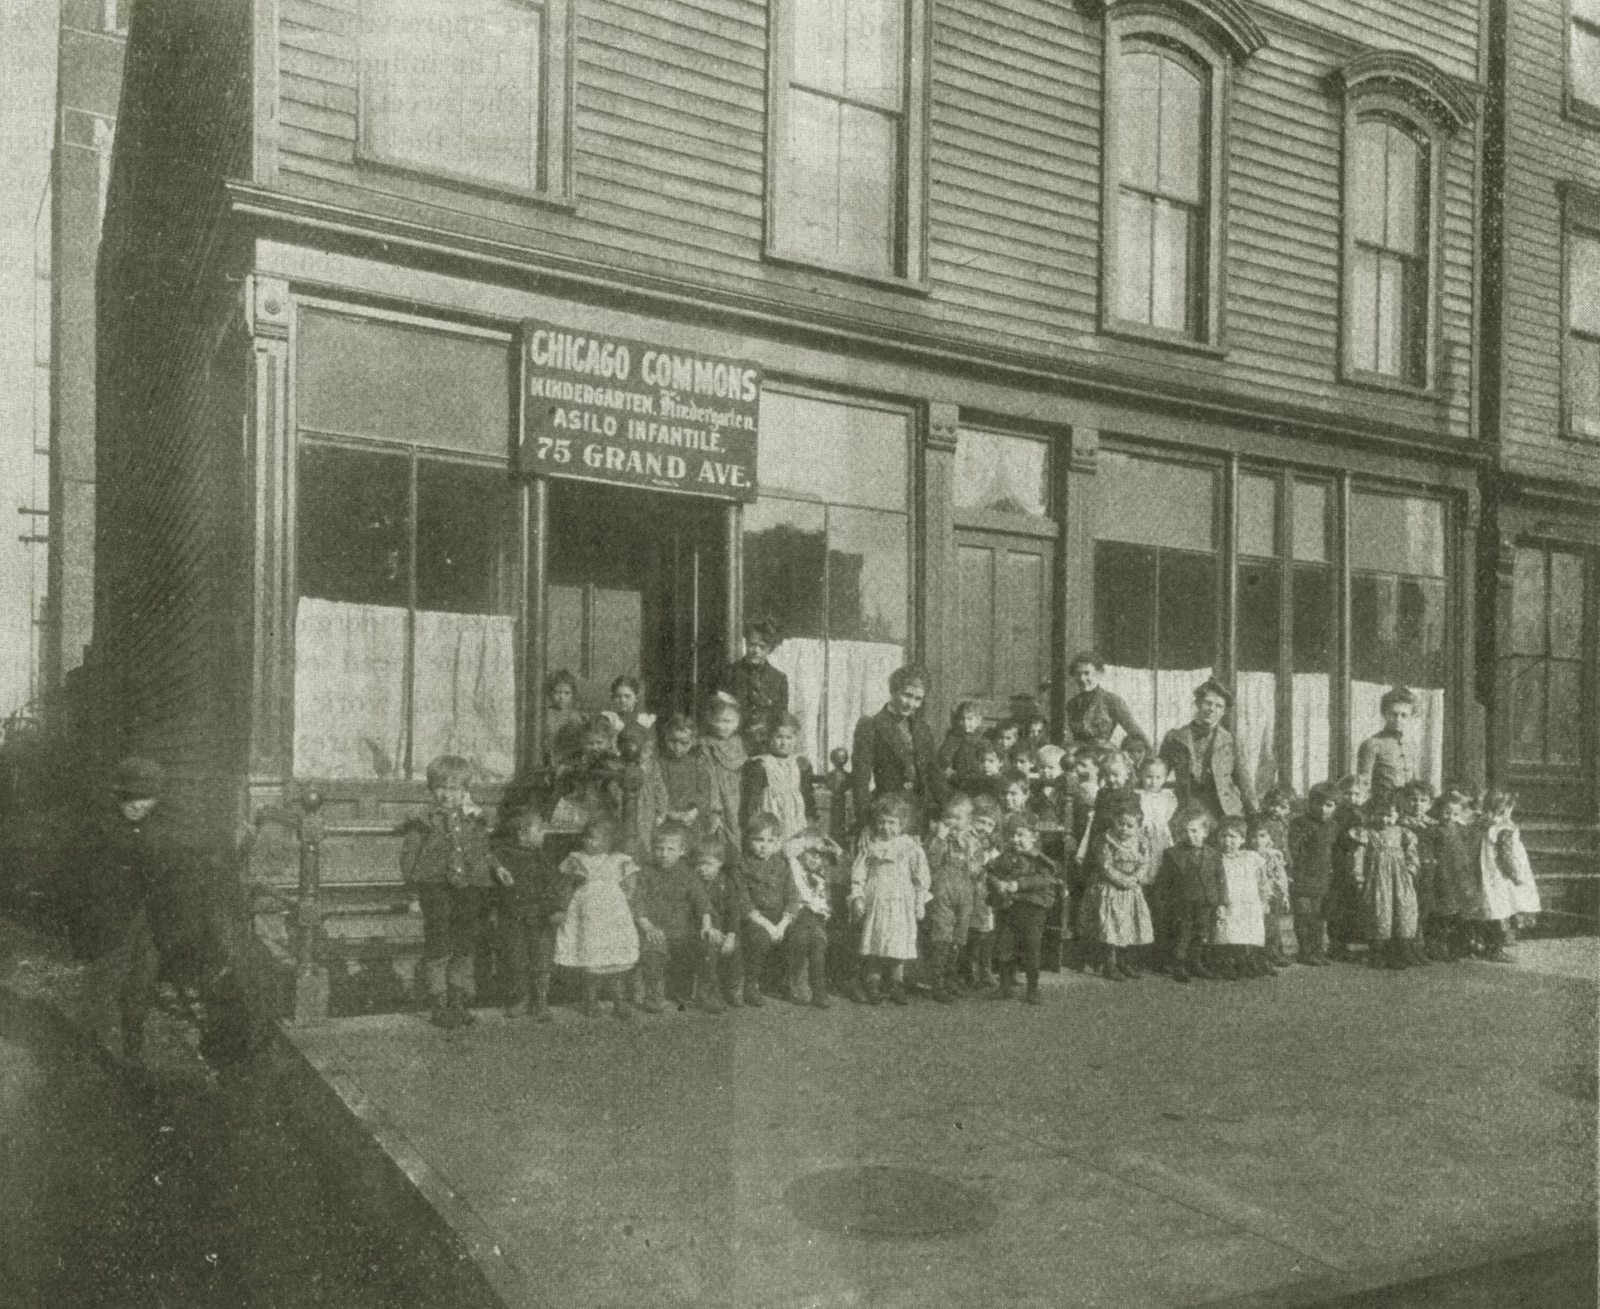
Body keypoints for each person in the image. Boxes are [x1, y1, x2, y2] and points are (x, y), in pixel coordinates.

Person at [72, 756, 220, 1064]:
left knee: (141, 985)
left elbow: (173, 867)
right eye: (130, 798)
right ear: (117, 795)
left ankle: (133, 1051)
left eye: (146, 798)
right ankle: (86, 1054)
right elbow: (82, 882)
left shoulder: (156, 829)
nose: (138, 805)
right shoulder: (100, 830)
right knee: (103, 987)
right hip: (111, 923)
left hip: (149, 924)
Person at [400, 755, 498, 1028]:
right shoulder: (423, 821)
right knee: (439, 946)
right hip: (436, 890)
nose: (447, 795)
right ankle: (438, 1003)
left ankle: (458, 1000)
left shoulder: (473, 819)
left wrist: (492, 871)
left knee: (463, 945)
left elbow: (483, 850)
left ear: (465, 791)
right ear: (431, 789)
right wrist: (413, 894)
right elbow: (409, 858)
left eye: (455, 789)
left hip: (468, 890)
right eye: (440, 788)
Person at [494, 804, 579, 1021]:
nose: (544, 834)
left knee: (541, 960)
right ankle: (522, 998)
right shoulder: (503, 855)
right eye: (539, 830)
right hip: (513, 917)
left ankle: (541, 1000)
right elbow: (492, 872)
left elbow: (553, 887)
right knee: (516, 959)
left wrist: (557, 909)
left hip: (540, 918)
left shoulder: (543, 858)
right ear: (522, 834)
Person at [553, 816, 641, 1019]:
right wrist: (562, 906)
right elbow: (564, 884)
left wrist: (626, 895)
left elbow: (632, 882)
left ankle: (619, 1001)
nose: (587, 841)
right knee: (591, 958)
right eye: (586, 837)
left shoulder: (619, 860)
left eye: (593, 838)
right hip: (587, 916)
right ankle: (590, 1000)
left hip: (613, 916)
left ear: (609, 841)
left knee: (616, 961)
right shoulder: (577, 859)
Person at [849, 795, 932, 1005]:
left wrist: (920, 901)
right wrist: (857, 896)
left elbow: (921, 876)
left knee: (899, 943)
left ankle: (896, 983)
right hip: (877, 900)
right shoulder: (870, 845)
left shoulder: (909, 846)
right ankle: (873, 982)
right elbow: (859, 873)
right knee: (875, 941)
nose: (886, 827)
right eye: (882, 822)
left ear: (902, 823)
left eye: (892, 822)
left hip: (900, 901)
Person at [851, 665, 943, 829]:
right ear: (893, 691)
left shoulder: (922, 729)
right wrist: (865, 823)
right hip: (888, 815)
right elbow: (861, 780)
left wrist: (951, 810)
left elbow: (933, 773)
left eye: (918, 699)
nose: (911, 704)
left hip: (921, 812)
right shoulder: (871, 725)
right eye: (907, 695)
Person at [631, 819, 708, 1013]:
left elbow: (701, 901)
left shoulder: (688, 874)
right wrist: (647, 926)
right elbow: (638, 901)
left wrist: (706, 924)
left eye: (670, 849)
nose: (664, 854)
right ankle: (653, 994)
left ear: (682, 851)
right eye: (659, 848)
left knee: (689, 952)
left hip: (680, 930)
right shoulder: (646, 872)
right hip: (654, 929)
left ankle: (681, 991)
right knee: (653, 953)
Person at [985, 811, 1061, 1004]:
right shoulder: (1004, 857)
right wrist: (997, 883)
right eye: (1011, 835)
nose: (1015, 839)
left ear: (1034, 837)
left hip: (1031, 909)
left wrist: (1019, 885)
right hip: (1008, 908)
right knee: (1005, 946)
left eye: (1021, 835)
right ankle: (1004, 986)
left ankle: (1032, 989)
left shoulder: (1038, 859)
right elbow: (990, 871)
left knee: (1031, 949)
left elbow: (1045, 879)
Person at [1082, 790, 1154, 982]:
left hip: (1131, 890)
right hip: (1110, 888)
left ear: (1138, 826)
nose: (1124, 829)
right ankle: (1110, 964)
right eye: (1120, 824)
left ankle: (1125, 962)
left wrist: (1135, 879)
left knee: (1129, 925)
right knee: (1111, 926)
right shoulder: (1106, 840)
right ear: (1114, 821)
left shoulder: (1141, 842)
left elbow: (1145, 863)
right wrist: (1122, 880)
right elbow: (1105, 865)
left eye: (1130, 826)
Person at [1159, 680, 1256, 822]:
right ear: (1197, 704)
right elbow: (1157, 773)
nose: (1212, 709)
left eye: (1219, 706)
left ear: (1223, 712)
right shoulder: (1175, 739)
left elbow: (1244, 781)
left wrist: (1255, 812)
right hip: (1188, 811)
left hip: (1224, 813)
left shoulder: (1231, 741)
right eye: (1208, 703)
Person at [924, 794, 986, 1003]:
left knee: (958, 938)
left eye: (958, 818)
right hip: (942, 893)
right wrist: (940, 839)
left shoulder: (972, 840)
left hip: (965, 893)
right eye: (947, 817)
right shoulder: (936, 838)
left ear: (968, 821)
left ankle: (951, 977)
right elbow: (929, 863)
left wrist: (969, 853)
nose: (951, 822)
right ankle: (937, 982)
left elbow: (978, 868)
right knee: (941, 937)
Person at [1155, 809, 1224, 983]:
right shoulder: (1172, 854)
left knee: (1201, 932)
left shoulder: (1214, 854)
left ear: (1205, 832)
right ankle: (1179, 964)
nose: (1189, 835)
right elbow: (1165, 881)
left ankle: (1196, 962)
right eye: (1185, 831)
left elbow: (1220, 879)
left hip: (1206, 901)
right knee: (1183, 933)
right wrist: (1165, 902)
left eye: (1194, 831)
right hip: (1183, 901)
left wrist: (1220, 902)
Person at [1471, 788, 1536, 961]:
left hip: (1487, 873)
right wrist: (1515, 874)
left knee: (1492, 907)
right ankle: (1496, 949)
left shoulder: (1483, 824)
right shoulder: (1504, 828)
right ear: (1504, 808)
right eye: (1510, 807)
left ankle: (1486, 945)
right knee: (1502, 907)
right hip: (1501, 875)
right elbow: (1506, 854)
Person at [634, 713, 715, 850]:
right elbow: (656, 792)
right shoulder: (659, 763)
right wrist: (670, 813)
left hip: (691, 819)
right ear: (666, 738)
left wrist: (694, 812)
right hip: (666, 818)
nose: (677, 747)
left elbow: (705, 792)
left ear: (693, 741)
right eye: (672, 741)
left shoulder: (698, 763)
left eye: (684, 743)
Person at [738, 813, 794, 1006]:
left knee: (798, 934)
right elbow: (744, 901)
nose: (764, 846)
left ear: (778, 842)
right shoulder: (743, 865)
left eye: (771, 841)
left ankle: (787, 981)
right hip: (755, 918)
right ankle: (751, 984)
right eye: (759, 840)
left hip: (779, 917)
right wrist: (769, 927)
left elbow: (792, 896)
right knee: (759, 938)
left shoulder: (782, 865)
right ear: (748, 839)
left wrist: (783, 924)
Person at [783, 829, 843, 1008]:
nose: (816, 858)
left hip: (817, 918)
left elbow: (843, 866)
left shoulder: (823, 874)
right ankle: (799, 983)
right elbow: (787, 849)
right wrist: (811, 842)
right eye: (811, 853)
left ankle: (818, 987)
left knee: (817, 941)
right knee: (805, 937)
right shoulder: (795, 866)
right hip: (797, 914)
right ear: (802, 852)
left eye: (820, 855)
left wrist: (835, 849)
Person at [1361, 794, 1420, 970]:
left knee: (1401, 910)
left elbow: (1412, 852)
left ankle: (1397, 953)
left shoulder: (1403, 833)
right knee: (1380, 912)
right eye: (1380, 814)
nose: (1384, 819)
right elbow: (1359, 855)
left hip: (1400, 879)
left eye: (1389, 815)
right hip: (1377, 880)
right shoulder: (1368, 833)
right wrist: (1358, 875)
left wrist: (1411, 869)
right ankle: (1378, 953)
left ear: (1398, 815)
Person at [740, 713, 818, 841]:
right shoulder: (760, 765)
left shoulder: (801, 764)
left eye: (789, 738)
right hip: (769, 823)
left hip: (796, 823)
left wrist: (811, 823)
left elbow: (808, 797)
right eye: (779, 737)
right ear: (769, 737)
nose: (784, 743)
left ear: (796, 739)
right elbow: (751, 802)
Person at [691, 836, 746, 1012]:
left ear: (720, 863)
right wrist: (708, 929)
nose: (702, 868)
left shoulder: (726, 883)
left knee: (735, 948)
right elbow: (692, 912)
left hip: (723, 930)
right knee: (709, 950)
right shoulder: (693, 882)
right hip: (700, 930)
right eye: (698, 864)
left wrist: (731, 935)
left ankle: (732, 988)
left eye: (708, 864)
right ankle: (707, 993)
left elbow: (733, 912)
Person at [1287, 782, 1340, 966]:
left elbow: (1334, 850)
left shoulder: (1333, 825)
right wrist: (1296, 869)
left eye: (1329, 805)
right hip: (1302, 875)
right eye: (1318, 804)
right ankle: (1305, 951)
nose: (1323, 809)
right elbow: (1293, 849)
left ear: (1335, 806)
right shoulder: (1299, 823)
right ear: (1310, 803)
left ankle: (1317, 950)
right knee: (1304, 914)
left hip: (1322, 877)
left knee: (1318, 916)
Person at [1064, 652, 1150, 761]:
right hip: (1078, 758)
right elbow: (1067, 737)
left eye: (1087, 673)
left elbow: (1135, 732)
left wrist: (1149, 760)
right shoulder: (1072, 704)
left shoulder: (1111, 700)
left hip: (1104, 758)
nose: (1082, 678)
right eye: (1078, 674)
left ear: (1099, 673)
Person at [720, 617, 789, 750]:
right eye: (752, 644)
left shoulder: (779, 679)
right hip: (734, 742)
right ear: (746, 643)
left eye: (762, 647)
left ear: (770, 649)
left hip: (766, 744)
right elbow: (720, 712)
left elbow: (781, 717)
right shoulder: (729, 673)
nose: (756, 650)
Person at [1212, 817, 1267, 979]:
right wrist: (1219, 903)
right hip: (1229, 902)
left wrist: (1264, 899)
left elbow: (1262, 880)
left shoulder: (1251, 857)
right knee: (1229, 932)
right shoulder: (1216, 858)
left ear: (1243, 839)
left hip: (1249, 902)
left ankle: (1245, 961)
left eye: (1232, 837)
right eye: (1223, 836)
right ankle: (1228, 963)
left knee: (1247, 932)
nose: (1227, 841)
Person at [961, 795, 1003, 990]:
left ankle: (985, 969)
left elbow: (997, 863)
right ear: (971, 819)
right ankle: (969, 972)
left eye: (990, 824)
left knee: (987, 932)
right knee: (972, 933)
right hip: (970, 889)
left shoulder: (991, 843)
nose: (985, 827)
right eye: (981, 821)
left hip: (986, 893)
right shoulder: (966, 838)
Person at [1355, 686, 1419, 811]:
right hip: (1381, 808)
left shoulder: (1411, 745)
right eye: (1393, 714)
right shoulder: (1372, 744)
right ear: (1384, 713)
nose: (1398, 720)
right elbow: (1363, 782)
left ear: (1410, 716)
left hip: (1407, 808)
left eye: (1404, 715)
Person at [1432, 787, 1478, 959]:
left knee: (1461, 908)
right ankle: (1440, 946)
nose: (1451, 817)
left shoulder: (1459, 828)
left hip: (1460, 872)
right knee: (1444, 910)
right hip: (1444, 872)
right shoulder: (1436, 830)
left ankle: (1459, 945)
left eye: (1455, 814)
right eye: (1447, 813)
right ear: (1438, 811)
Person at [700, 691, 747, 854]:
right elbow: (709, 777)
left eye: (729, 721)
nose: (723, 726)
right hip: (718, 796)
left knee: (739, 829)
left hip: (738, 795)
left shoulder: (739, 743)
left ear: (738, 721)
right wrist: (715, 808)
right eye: (718, 720)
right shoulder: (706, 745)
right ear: (710, 720)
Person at [1401, 780, 1441, 963]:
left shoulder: (1433, 825)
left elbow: (1439, 849)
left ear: (1430, 804)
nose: (1417, 804)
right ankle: (1406, 947)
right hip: (1406, 871)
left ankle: (1419, 946)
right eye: (1413, 799)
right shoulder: (1399, 823)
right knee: (1407, 907)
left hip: (1427, 871)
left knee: (1424, 907)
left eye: (1422, 800)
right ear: (1404, 801)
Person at [1250, 821, 1294, 968]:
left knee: (1272, 924)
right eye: (1253, 837)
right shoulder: (1248, 856)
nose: (1257, 841)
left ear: (1269, 838)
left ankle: (1274, 952)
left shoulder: (1274, 855)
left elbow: (1281, 875)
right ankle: (1260, 956)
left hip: (1273, 893)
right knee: (1260, 924)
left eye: (1262, 836)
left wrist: (1284, 893)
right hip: (1256, 893)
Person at [603, 675, 657, 763]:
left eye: (627, 696)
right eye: (618, 696)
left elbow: (650, 746)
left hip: (642, 761)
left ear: (636, 697)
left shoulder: (645, 720)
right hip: (615, 761)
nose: (623, 700)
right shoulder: (609, 718)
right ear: (613, 698)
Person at [939, 701, 990, 792]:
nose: (966, 723)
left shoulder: (983, 740)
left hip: (977, 779)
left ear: (979, 720)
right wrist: (947, 769)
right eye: (962, 719)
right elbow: (944, 756)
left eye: (970, 719)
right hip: (957, 779)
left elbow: (987, 760)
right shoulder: (954, 738)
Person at [543, 669, 588, 768]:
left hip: (569, 756)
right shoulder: (545, 714)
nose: (561, 697)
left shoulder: (576, 716)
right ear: (550, 693)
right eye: (557, 692)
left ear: (573, 695)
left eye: (567, 693)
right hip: (548, 755)